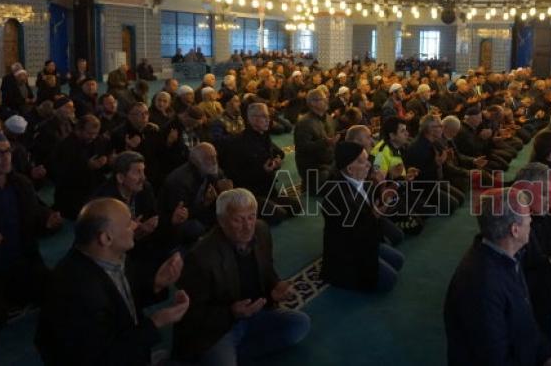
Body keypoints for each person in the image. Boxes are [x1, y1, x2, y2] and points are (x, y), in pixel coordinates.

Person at [35, 198, 190, 365]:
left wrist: (157, 283)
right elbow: (105, 357)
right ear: (106, 238)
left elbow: (123, 301)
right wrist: (156, 322)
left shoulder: (114, 256)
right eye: (128, 223)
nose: (135, 226)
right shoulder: (77, 293)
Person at [172, 189, 310, 364]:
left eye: (251, 217)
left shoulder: (261, 230)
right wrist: (232, 313)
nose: (248, 226)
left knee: (299, 324)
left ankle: (233, 355)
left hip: (255, 314)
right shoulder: (201, 257)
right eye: (238, 219)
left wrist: (275, 287)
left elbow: (268, 271)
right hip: (219, 329)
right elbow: (190, 314)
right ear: (221, 221)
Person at [444, 187, 551, 366]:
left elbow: (526, 318)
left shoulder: (508, 254)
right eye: (528, 215)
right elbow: (495, 359)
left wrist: (546, 354)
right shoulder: (481, 286)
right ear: (515, 230)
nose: (531, 219)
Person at [0, 131, 61, 328]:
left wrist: (48, 220)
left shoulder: (20, 183)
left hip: (23, 260)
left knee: (60, 292)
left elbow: (35, 214)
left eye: (7, 151)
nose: (5, 157)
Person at [321, 141, 404, 292]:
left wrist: (392, 182)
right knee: (390, 281)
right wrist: (376, 214)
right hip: (347, 254)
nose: (368, 165)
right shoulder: (336, 195)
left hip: (366, 240)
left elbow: (378, 201)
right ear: (349, 168)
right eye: (362, 162)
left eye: (367, 160)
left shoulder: (363, 180)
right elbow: (353, 235)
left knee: (398, 261)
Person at [293, 89, 338, 195]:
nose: (327, 101)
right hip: (315, 169)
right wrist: (325, 143)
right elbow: (302, 148)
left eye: (327, 98)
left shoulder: (328, 118)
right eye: (323, 99)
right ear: (313, 103)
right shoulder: (304, 123)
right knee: (340, 189)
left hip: (329, 162)